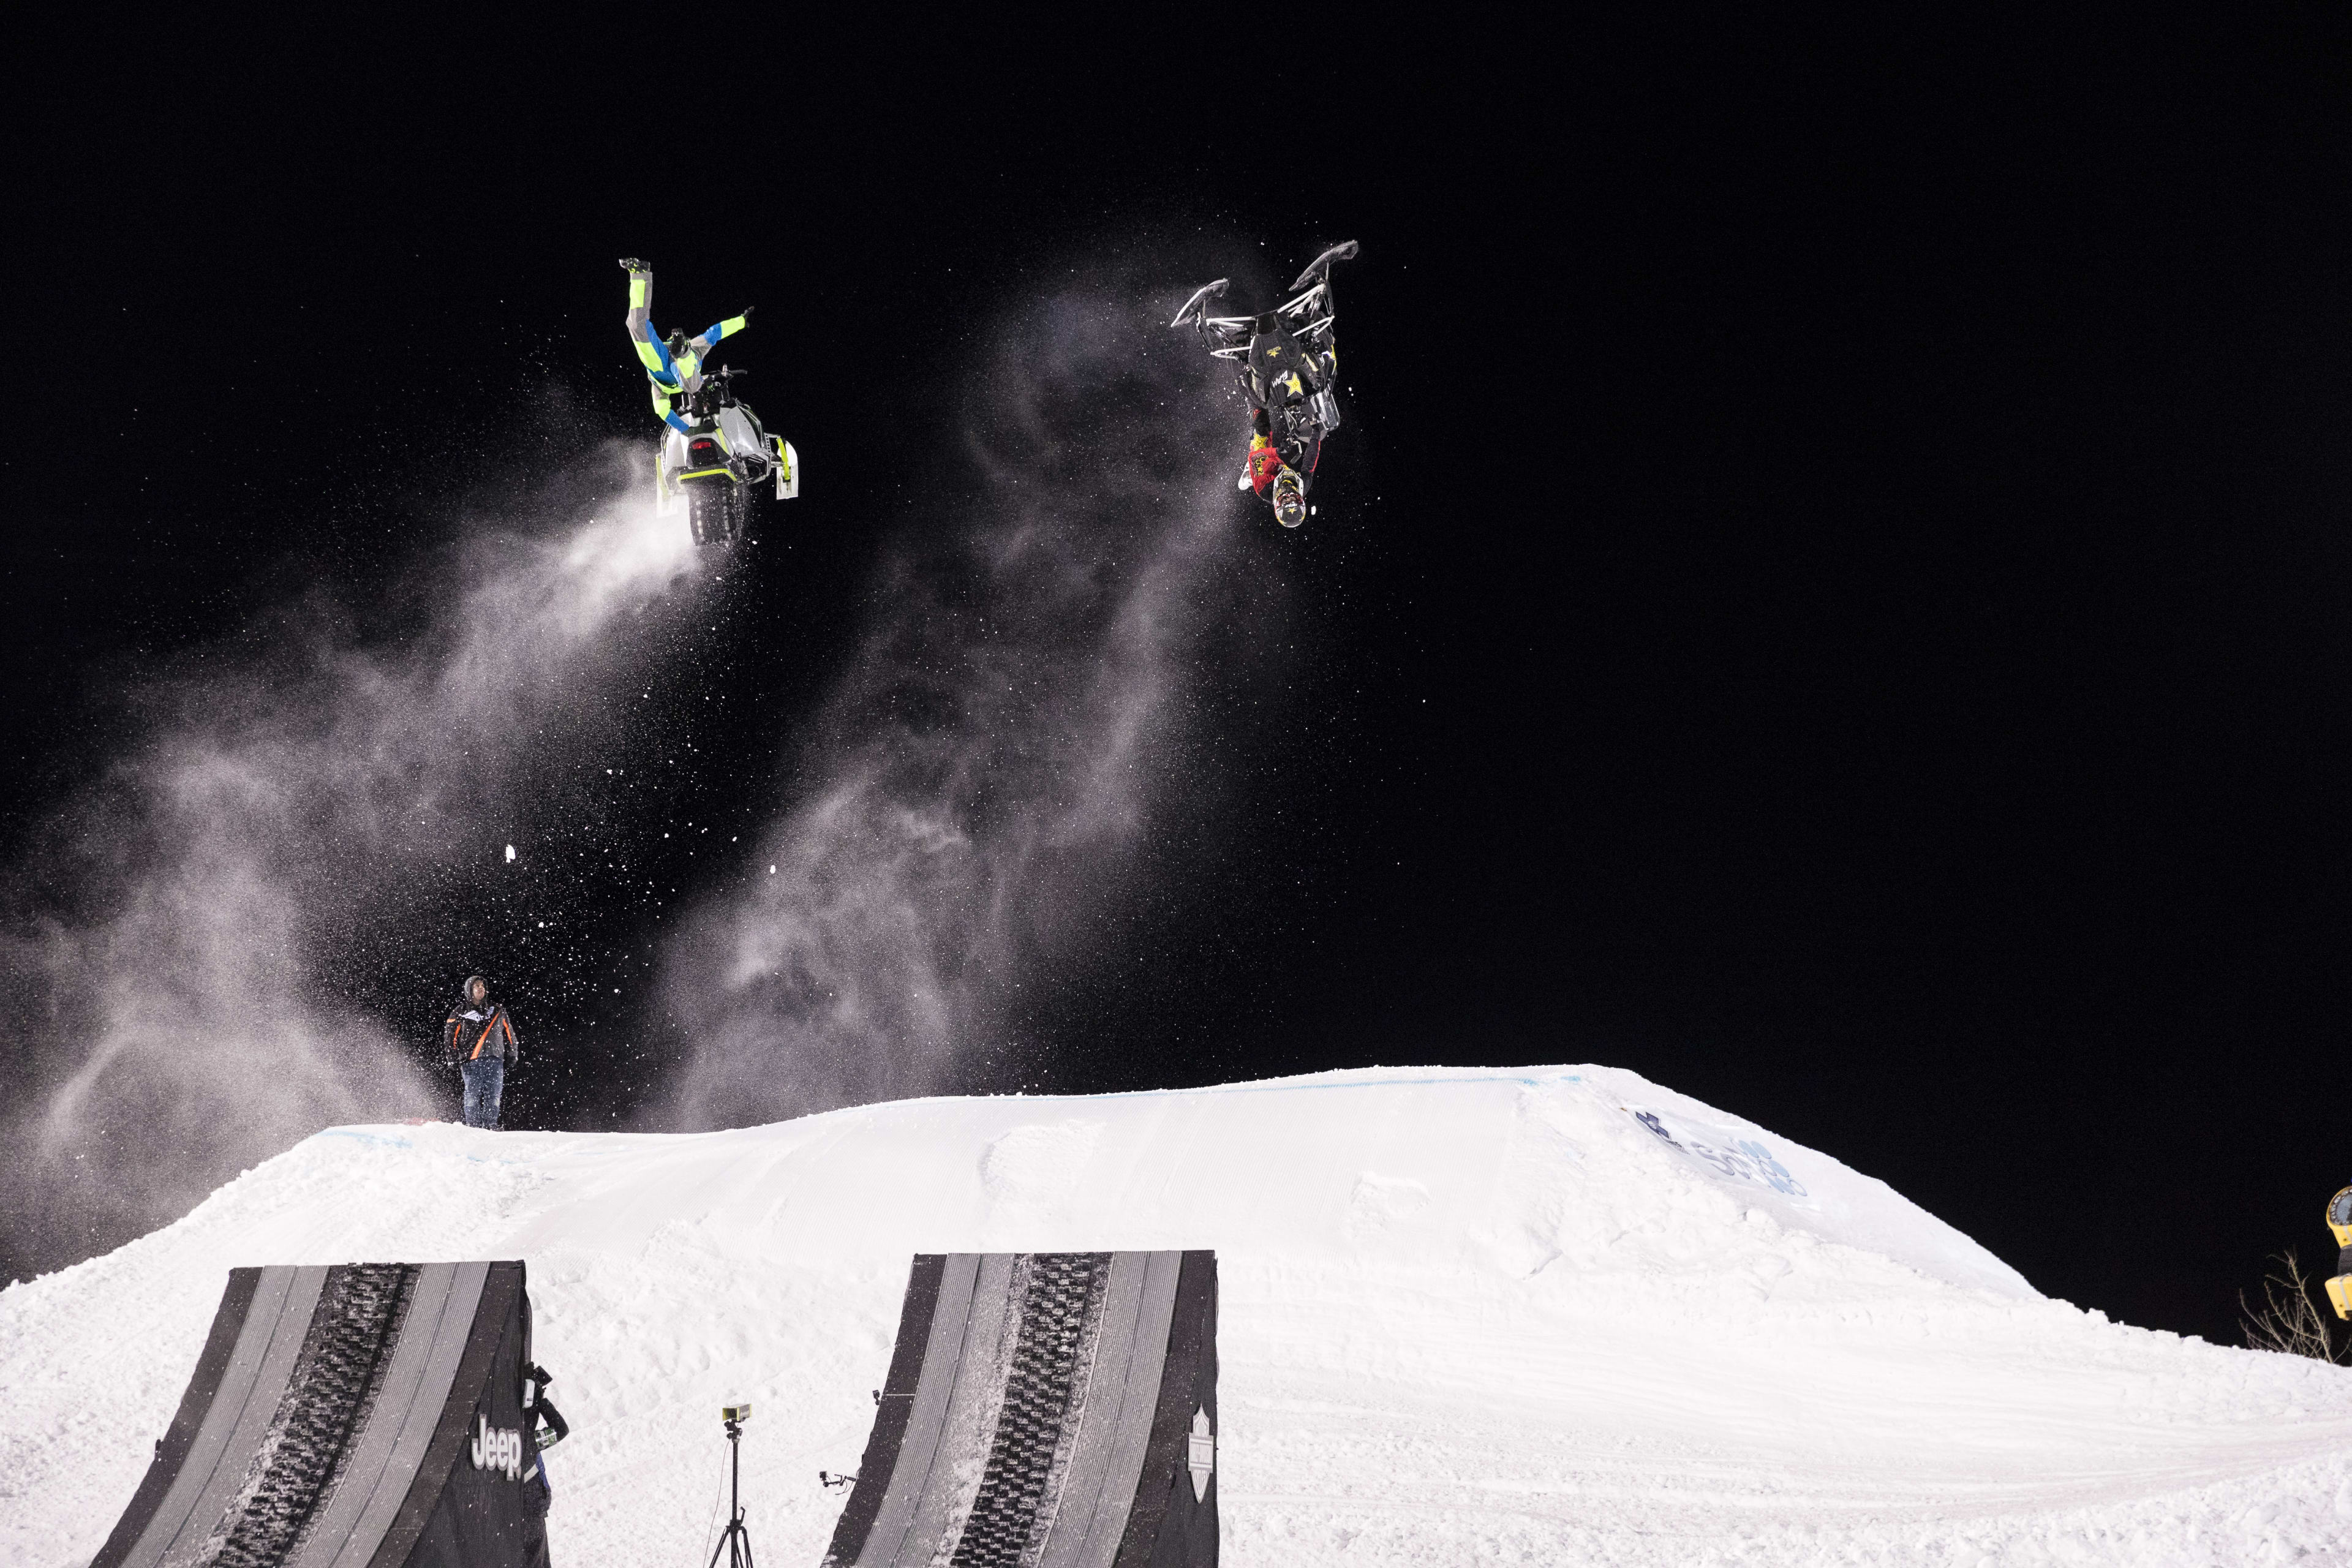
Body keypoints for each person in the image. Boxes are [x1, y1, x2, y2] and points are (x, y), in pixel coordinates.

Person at [619, 258, 752, 434]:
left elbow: (662, 411)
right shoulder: (693, 349)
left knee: (637, 326)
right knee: (691, 386)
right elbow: (714, 334)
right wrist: (741, 322)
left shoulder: (658, 387)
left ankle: (639, 274)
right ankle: (682, 354)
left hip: (661, 365)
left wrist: (741, 322)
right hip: (666, 362)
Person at [1238, 311, 1337, 527]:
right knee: (1313, 405)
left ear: (1277, 503)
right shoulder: (1304, 484)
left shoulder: (1264, 489)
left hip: (1264, 463)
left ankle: (1243, 363)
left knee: (1261, 423)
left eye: (1285, 500)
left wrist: (1277, 453)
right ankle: (1307, 341)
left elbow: (1257, 458)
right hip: (1286, 459)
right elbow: (1310, 460)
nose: (1289, 494)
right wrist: (1315, 431)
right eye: (1295, 499)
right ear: (1301, 499)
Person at [442, 975, 519, 1129]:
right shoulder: (459, 1012)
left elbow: (510, 1033)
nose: (480, 989)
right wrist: (451, 1057)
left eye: (483, 986)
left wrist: (513, 1053)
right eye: (476, 986)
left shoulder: (497, 1010)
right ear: (469, 990)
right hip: (471, 1060)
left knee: (494, 1095)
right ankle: (474, 1127)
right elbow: (450, 1038)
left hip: (495, 1059)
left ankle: (491, 1125)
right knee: (472, 1095)